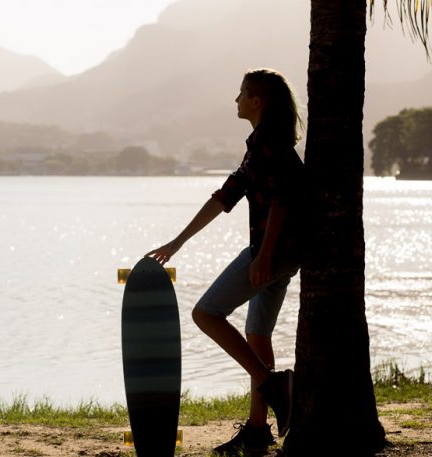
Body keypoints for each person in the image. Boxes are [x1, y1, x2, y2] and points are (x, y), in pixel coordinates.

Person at [146, 68, 305, 456]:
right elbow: (224, 197)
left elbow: (283, 201)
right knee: (257, 335)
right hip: (282, 254)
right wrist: (177, 242)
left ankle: (273, 384)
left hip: (272, 252)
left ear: (257, 101)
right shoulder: (261, 144)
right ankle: (256, 429)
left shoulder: (269, 143)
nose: (235, 100)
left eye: (241, 93)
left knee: (206, 313)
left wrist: (264, 257)